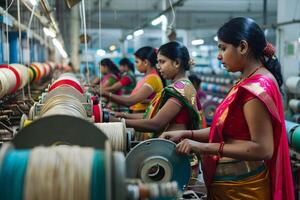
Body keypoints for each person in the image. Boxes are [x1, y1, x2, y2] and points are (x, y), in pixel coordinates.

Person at [160, 17, 294, 200]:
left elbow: (263, 149)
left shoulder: (255, 89)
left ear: (243, 47)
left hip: (242, 191)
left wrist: (203, 147)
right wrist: (187, 135)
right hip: (233, 186)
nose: (219, 56)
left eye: (223, 48)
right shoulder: (246, 81)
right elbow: (226, 131)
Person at [111, 41, 206, 139]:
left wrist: (118, 122)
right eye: (158, 62)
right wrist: (123, 116)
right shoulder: (180, 86)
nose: (158, 66)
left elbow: (156, 124)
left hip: (174, 149)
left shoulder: (181, 89)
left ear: (177, 63)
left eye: (162, 62)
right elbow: (152, 116)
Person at [101, 46, 163, 113]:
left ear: (145, 62)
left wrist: (105, 93)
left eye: (137, 62)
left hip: (140, 115)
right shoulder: (147, 77)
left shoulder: (152, 79)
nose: (135, 65)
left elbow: (129, 101)